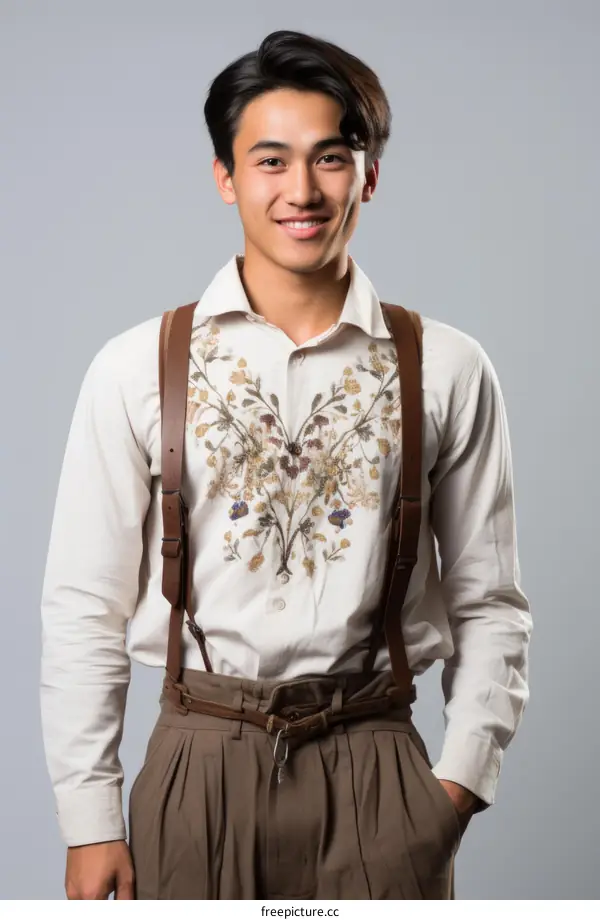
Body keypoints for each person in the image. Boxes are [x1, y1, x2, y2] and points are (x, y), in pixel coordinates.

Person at [40, 29, 532, 900]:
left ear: (368, 174)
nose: (300, 191)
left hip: (378, 762)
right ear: (225, 176)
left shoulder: (448, 367)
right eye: (270, 160)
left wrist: (454, 788)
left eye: (330, 158)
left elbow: (490, 601)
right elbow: (84, 607)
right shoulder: (136, 366)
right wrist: (90, 819)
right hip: (197, 762)